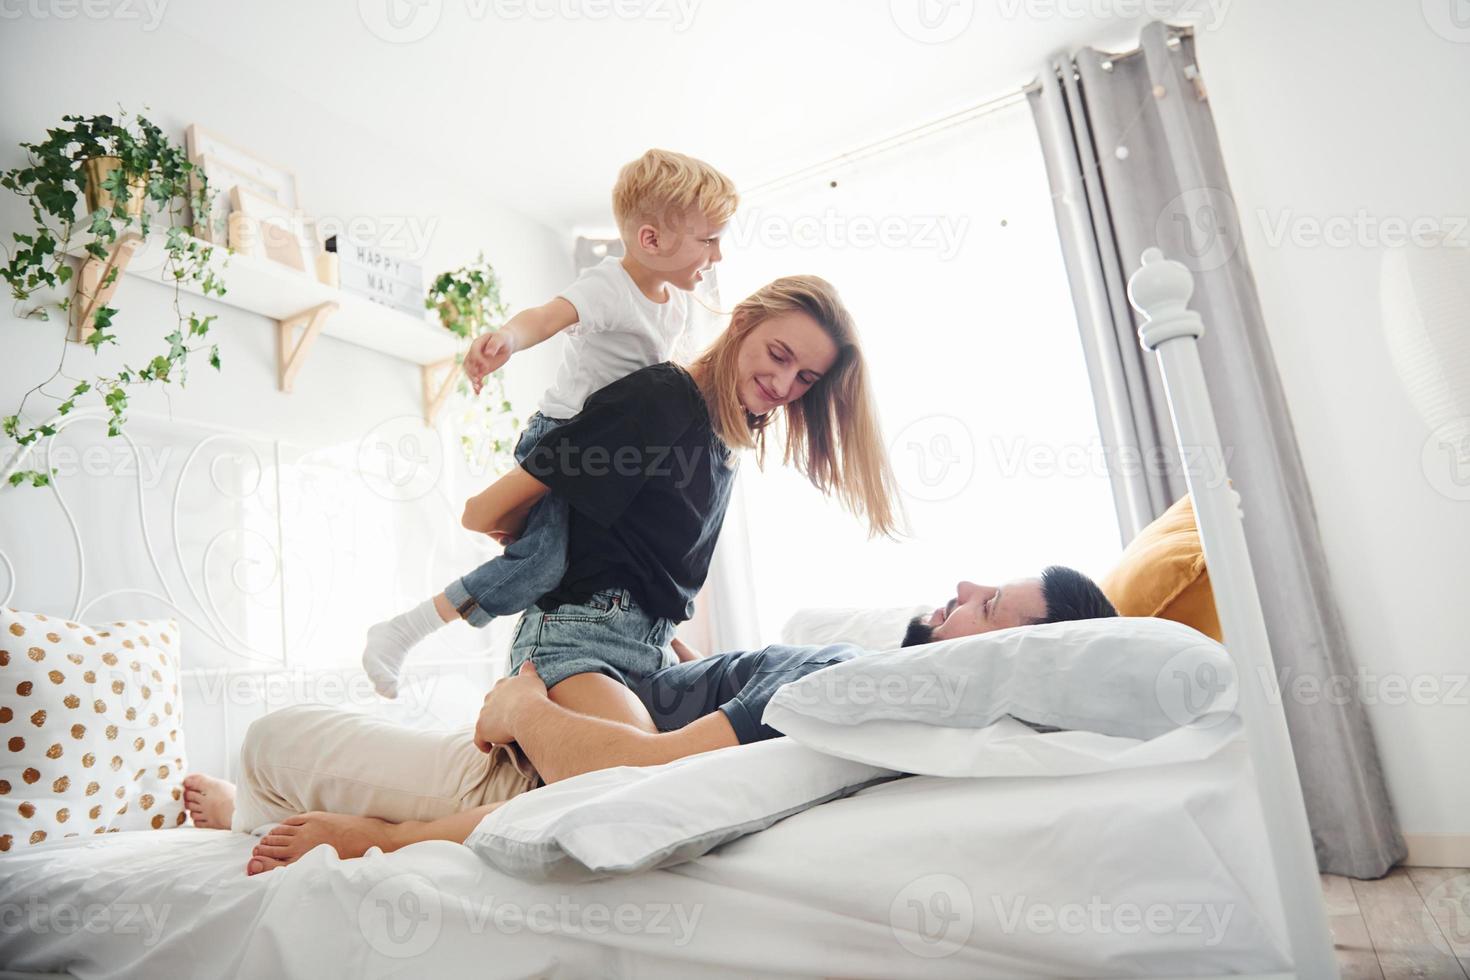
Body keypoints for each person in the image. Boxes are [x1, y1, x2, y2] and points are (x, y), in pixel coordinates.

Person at [180, 567, 1118, 874]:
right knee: (282, 752)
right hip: (561, 724)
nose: (963, 589)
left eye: (992, 605)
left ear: (1010, 655)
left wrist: (520, 705)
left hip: (521, 766)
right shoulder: (872, 689)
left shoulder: (853, 679)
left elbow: (645, 768)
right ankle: (250, 816)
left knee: (272, 736)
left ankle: (279, 821)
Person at [362, 147, 738, 699]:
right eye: (708, 239)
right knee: (540, 566)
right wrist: (506, 340)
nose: (719, 254)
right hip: (563, 442)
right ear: (651, 240)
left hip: (605, 454)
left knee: (581, 555)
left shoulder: (676, 305)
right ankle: (401, 632)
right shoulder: (608, 286)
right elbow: (545, 316)